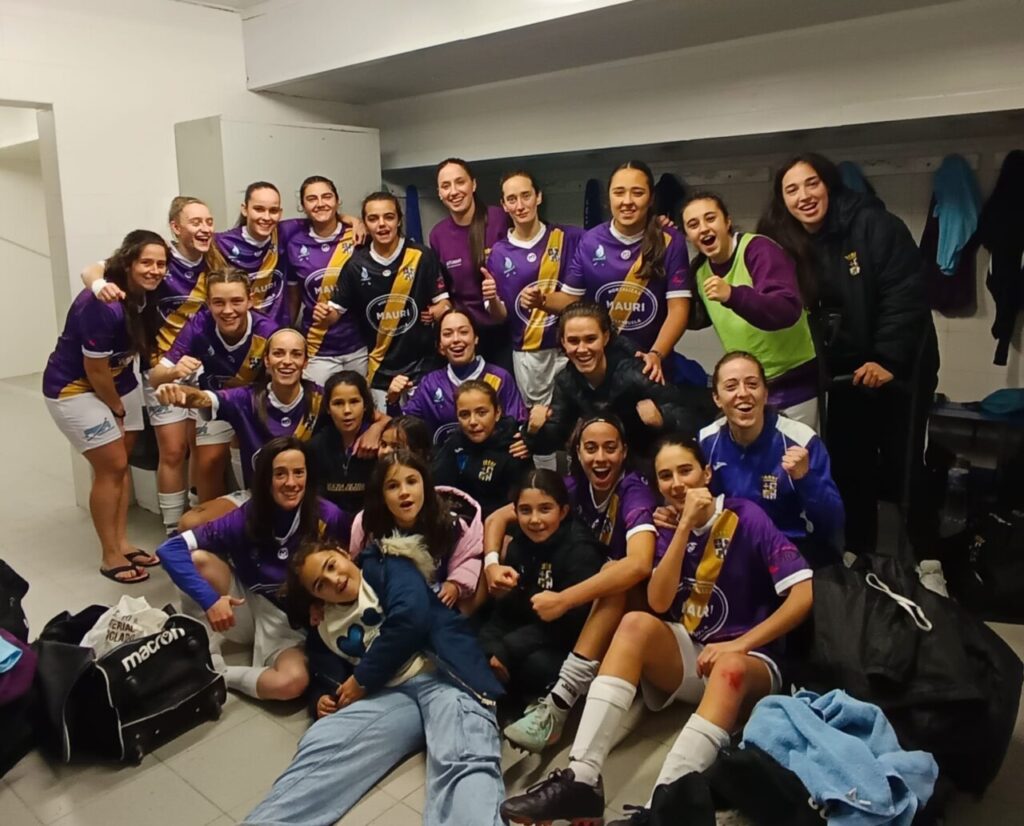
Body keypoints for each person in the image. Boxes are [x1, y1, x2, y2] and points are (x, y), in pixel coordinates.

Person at [499, 435, 814, 824]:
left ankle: (661, 810)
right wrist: (682, 528)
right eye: (666, 476)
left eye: (686, 471)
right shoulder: (667, 526)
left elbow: (802, 596)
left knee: (729, 668)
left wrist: (739, 645)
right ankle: (581, 778)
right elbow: (661, 603)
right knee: (634, 623)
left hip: (750, 661)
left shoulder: (745, 515)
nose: (677, 483)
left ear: (707, 473)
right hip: (695, 652)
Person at [242, 537, 504, 826]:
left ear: (344, 553)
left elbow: (411, 618)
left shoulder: (386, 566)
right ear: (316, 597)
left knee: (462, 753)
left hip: (443, 675)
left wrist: (363, 678)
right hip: (390, 696)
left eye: (332, 565)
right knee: (325, 741)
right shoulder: (324, 623)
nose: (334, 579)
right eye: (320, 584)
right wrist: (320, 698)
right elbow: (323, 671)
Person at [758, 153, 939, 554]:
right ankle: (859, 556)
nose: (804, 196)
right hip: (842, 374)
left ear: (829, 185)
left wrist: (887, 359)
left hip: (899, 366)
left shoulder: (873, 225)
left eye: (811, 184)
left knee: (905, 467)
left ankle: (928, 562)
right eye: (791, 189)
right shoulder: (785, 240)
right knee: (850, 467)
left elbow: (905, 294)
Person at [489, 415, 658, 752]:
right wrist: (491, 565)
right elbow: (497, 518)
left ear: (624, 452)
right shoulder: (570, 485)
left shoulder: (633, 491)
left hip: (632, 604)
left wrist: (564, 599)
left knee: (614, 574)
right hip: (575, 590)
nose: (600, 458)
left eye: (610, 448)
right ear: (577, 452)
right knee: (510, 542)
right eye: (590, 448)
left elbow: (639, 564)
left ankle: (558, 707)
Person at [157, 437, 347, 700]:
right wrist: (210, 599)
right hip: (245, 604)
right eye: (280, 474)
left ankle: (218, 675)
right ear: (266, 479)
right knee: (198, 559)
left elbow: (352, 573)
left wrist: (324, 606)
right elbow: (169, 550)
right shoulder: (246, 515)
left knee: (291, 684)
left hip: (294, 623)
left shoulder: (329, 517)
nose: (291, 483)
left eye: (298, 473)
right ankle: (203, 650)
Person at [83, 197, 221, 534]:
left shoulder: (216, 260)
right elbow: (92, 270)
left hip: (205, 369)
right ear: (176, 227)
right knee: (172, 451)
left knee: (201, 451)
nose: (203, 228)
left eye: (208, 221)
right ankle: (174, 528)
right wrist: (100, 286)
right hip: (160, 369)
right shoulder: (158, 259)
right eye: (195, 222)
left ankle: (201, 524)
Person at [43, 230, 169, 583]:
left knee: (120, 464)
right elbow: (94, 370)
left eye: (160, 264)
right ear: (128, 263)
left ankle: (123, 542)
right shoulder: (104, 303)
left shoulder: (148, 293)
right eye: (146, 262)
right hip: (75, 388)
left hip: (118, 378)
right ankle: (109, 555)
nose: (154, 270)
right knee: (111, 464)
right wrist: (115, 408)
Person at [693, 352, 844, 567]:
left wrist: (806, 479)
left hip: (787, 545)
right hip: (727, 546)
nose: (743, 393)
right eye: (731, 387)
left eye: (752, 384)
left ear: (765, 394)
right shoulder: (705, 440)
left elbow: (833, 523)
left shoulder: (801, 440)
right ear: (717, 398)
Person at [681, 191, 819, 426]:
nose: (703, 228)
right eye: (693, 225)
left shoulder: (759, 250)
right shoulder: (701, 271)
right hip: (747, 390)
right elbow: (689, 317)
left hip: (794, 384)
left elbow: (786, 309)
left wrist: (733, 295)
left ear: (727, 221)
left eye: (710, 218)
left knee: (795, 459)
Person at [551, 160, 692, 384]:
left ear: (651, 198)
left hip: (652, 368)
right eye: (619, 193)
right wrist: (540, 300)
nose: (627, 201)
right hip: (600, 368)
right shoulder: (590, 240)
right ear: (609, 198)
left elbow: (679, 310)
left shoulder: (670, 241)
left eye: (637, 193)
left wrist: (656, 355)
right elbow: (570, 300)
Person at [147, 268, 277, 503]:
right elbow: (155, 378)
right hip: (214, 401)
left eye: (236, 301)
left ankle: (252, 514)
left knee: (262, 460)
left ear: (251, 300)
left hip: (255, 403)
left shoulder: (267, 331)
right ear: (208, 303)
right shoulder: (199, 325)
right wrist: (174, 372)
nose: (228, 311)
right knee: (207, 464)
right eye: (218, 302)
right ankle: (208, 529)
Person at [525, 301, 712, 461]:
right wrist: (534, 430)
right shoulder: (565, 381)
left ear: (605, 337)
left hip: (645, 464)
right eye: (573, 341)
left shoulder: (638, 372)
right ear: (563, 343)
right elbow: (552, 441)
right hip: (599, 466)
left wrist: (663, 418)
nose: (582, 349)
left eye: (590, 339)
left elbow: (692, 421)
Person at [477, 469, 604, 703]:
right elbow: (505, 613)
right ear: (515, 512)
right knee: (475, 645)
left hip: (566, 639)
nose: (535, 520)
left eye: (545, 509)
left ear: (563, 511)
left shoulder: (581, 550)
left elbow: (575, 622)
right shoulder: (518, 545)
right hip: (525, 627)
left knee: (535, 667)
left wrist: (508, 649)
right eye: (525, 511)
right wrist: (491, 649)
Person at [322, 191, 452, 409]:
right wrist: (325, 315)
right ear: (365, 224)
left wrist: (438, 311)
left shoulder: (422, 255)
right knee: (386, 436)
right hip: (379, 371)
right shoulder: (355, 265)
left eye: (389, 217)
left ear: (399, 219)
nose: (382, 224)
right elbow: (335, 313)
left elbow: (444, 303)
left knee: (423, 435)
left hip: (424, 368)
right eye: (373, 219)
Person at [484, 171, 582, 416]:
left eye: (526, 196)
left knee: (577, 419)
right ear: (504, 205)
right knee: (540, 422)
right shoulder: (498, 252)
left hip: (570, 348)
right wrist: (492, 298)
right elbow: (501, 315)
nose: (520, 205)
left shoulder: (569, 237)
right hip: (529, 354)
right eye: (512, 199)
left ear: (538, 197)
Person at [348, 450, 485, 614]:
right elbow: (355, 569)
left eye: (411, 482)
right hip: (384, 608)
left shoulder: (453, 524)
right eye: (392, 486)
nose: (404, 492)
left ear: (425, 486)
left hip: (437, 606)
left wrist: (456, 585)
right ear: (381, 495)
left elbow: (469, 557)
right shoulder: (366, 525)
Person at [388, 308, 527, 446]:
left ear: (476, 338)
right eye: (448, 334)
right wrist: (393, 401)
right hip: (443, 465)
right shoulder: (430, 384)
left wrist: (525, 441)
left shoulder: (500, 378)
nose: (456, 339)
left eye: (463, 332)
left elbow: (519, 427)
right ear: (440, 346)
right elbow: (402, 431)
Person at [282, 174, 369, 383]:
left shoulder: (359, 236)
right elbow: (293, 297)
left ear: (337, 201)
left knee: (358, 408)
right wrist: (286, 334)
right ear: (302, 205)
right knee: (317, 409)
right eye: (312, 199)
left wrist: (357, 221)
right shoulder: (294, 244)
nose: (320, 204)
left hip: (359, 343)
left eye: (327, 196)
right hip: (318, 346)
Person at [429, 157, 512, 371]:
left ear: (473, 184)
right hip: (465, 336)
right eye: (446, 186)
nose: (454, 191)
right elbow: (443, 289)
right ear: (439, 193)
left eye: (460, 182)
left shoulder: (500, 218)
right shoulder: (438, 235)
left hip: (505, 331)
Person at [431, 379, 532, 518]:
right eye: (464, 414)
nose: (473, 421)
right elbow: (438, 488)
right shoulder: (454, 444)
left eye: (481, 412)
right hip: (460, 523)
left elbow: (523, 506)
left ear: (497, 413)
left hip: (501, 527)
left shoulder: (516, 447)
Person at [216, 181, 291, 326]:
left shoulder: (285, 233)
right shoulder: (221, 242)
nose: (267, 217)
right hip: (240, 332)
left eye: (273, 211)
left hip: (277, 334)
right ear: (245, 209)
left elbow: (324, 219)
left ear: (280, 213)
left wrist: (349, 219)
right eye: (259, 209)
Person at [309, 371, 377, 514]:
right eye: (338, 403)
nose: (347, 410)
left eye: (354, 402)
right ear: (328, 408)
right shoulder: (316, 445)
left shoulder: (380, 442)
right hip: (328, 528)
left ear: (365, 404)